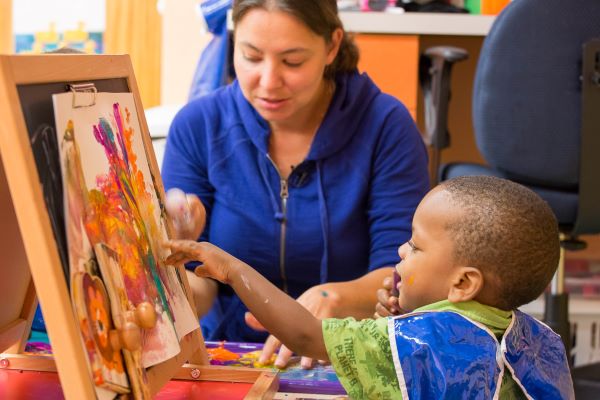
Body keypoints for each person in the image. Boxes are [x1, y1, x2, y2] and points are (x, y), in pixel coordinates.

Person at [161, 0, 429, 367]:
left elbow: (402, 274)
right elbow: (200, 290)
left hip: (342, 353)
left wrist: (333, 298)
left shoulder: (386, 126)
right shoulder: (198, 125)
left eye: (293, 61)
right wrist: (169, 265)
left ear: (332, 46)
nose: (269, 82)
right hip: (228, 352)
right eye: (252, 57)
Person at [165, 175, 574, 399]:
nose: (401, 249)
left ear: (463, 283)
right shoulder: (539, 340)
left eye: (415, 246)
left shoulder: (419, 341)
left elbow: (305, 334)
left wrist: (233, 269)